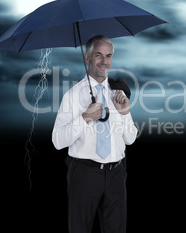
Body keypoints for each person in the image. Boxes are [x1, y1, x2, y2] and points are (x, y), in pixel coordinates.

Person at [52, 35, 138, 233]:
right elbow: (57, 141)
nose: (104, 61)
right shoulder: (73, 95)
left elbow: (130, 138)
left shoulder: (118, 93)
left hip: (117, 174)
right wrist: (85, 117)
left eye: (108, 56)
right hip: (84, 174)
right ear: (87, 57)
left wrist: (124, 112)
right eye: (98, 55)